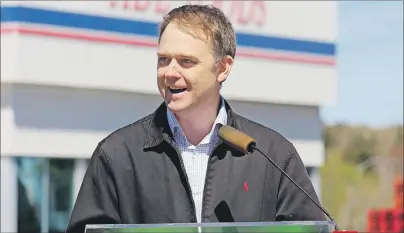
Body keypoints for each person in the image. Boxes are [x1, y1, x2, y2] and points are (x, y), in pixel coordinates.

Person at [66, 4, 325, 233]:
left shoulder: (274, 155)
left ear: (223, 68)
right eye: (164, 59)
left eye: (186, 61)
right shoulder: (117, 155)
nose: (170, 72)